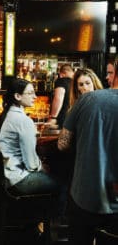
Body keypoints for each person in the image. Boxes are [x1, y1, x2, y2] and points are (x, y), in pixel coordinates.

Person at [58, 62, 118, 245]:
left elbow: (62, 144)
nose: (107, 77)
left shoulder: (87, 100)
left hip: (87, 194)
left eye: (110, 72)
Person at [0, 78, 61, 196]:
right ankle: (54, 214)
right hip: (18, 180)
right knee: (63, 183)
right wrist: (42, 167)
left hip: (6, 178)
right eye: (30, 93)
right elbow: (31, 164)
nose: (35, 96)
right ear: (18, 96)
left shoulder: (5, 116)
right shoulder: (23, 120)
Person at [48, 64, 74, 128]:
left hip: (62, 118)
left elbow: (58, 98)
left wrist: (53, 117)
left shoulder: (61, 81)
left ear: (62, 74)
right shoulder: (77, 83)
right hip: (74, 118)